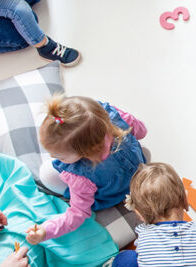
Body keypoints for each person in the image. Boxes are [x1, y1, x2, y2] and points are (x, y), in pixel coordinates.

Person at [27, 94, 147, 244]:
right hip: (138, 172)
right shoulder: (113, 116)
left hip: (112, 195)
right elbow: (142, 131)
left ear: (87, 152)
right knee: (143, 150)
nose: (52, 156)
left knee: (46, 173)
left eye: (60, 157)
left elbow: (78, 214)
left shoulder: (81, 176)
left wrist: (46, 231)